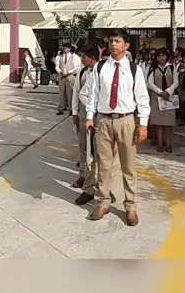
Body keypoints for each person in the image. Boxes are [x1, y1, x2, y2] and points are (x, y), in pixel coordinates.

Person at [79, 29, 151, 226]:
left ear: (126, 45)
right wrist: (89, 117)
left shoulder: (134, 69)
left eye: (117, 41)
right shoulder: (100, 67)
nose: (113, 44)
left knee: (128, 166)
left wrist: (143, 124)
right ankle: (103, 202)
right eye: (111, 41)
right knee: (103, 165)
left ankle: (131, 206)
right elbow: (92, 94)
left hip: (126, 121)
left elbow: (142, 98)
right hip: (103, 121)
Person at [71, 44, 110, 205]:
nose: (81, 59)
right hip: (89, 117)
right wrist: (81, 111)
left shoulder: (108, 71)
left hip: (106, 118)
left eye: (83, 57)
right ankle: (86, 184)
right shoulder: (84, 72)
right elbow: (80, 93)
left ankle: (105, 190)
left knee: (105, 156)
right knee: (87, 152)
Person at [146, 48, 179, 153]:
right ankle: (160, 144)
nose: (161, 57)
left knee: (168, 123)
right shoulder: (153, 68)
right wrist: (160, 92)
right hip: (157, 98)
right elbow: (150, 83)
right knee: (159, 123)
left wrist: (168, 91)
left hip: (169, 98)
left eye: (163, 55)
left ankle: (168, 144)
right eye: (159, 55)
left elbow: (176, 82)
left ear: (167, 57)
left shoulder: (172, 68)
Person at [55, 44, 79, 116]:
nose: (65, 50)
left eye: (66, 48)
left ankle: (71, 109)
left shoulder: (74, 57)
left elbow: (76, 67)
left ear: (69, 49)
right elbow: (57, 66)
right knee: (62, 93)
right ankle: (61, 108)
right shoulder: (60, 57)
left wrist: (69, 72)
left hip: (70, 76)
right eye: (64, 48)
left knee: (70, 93)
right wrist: (60, 72)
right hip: (62, 76)